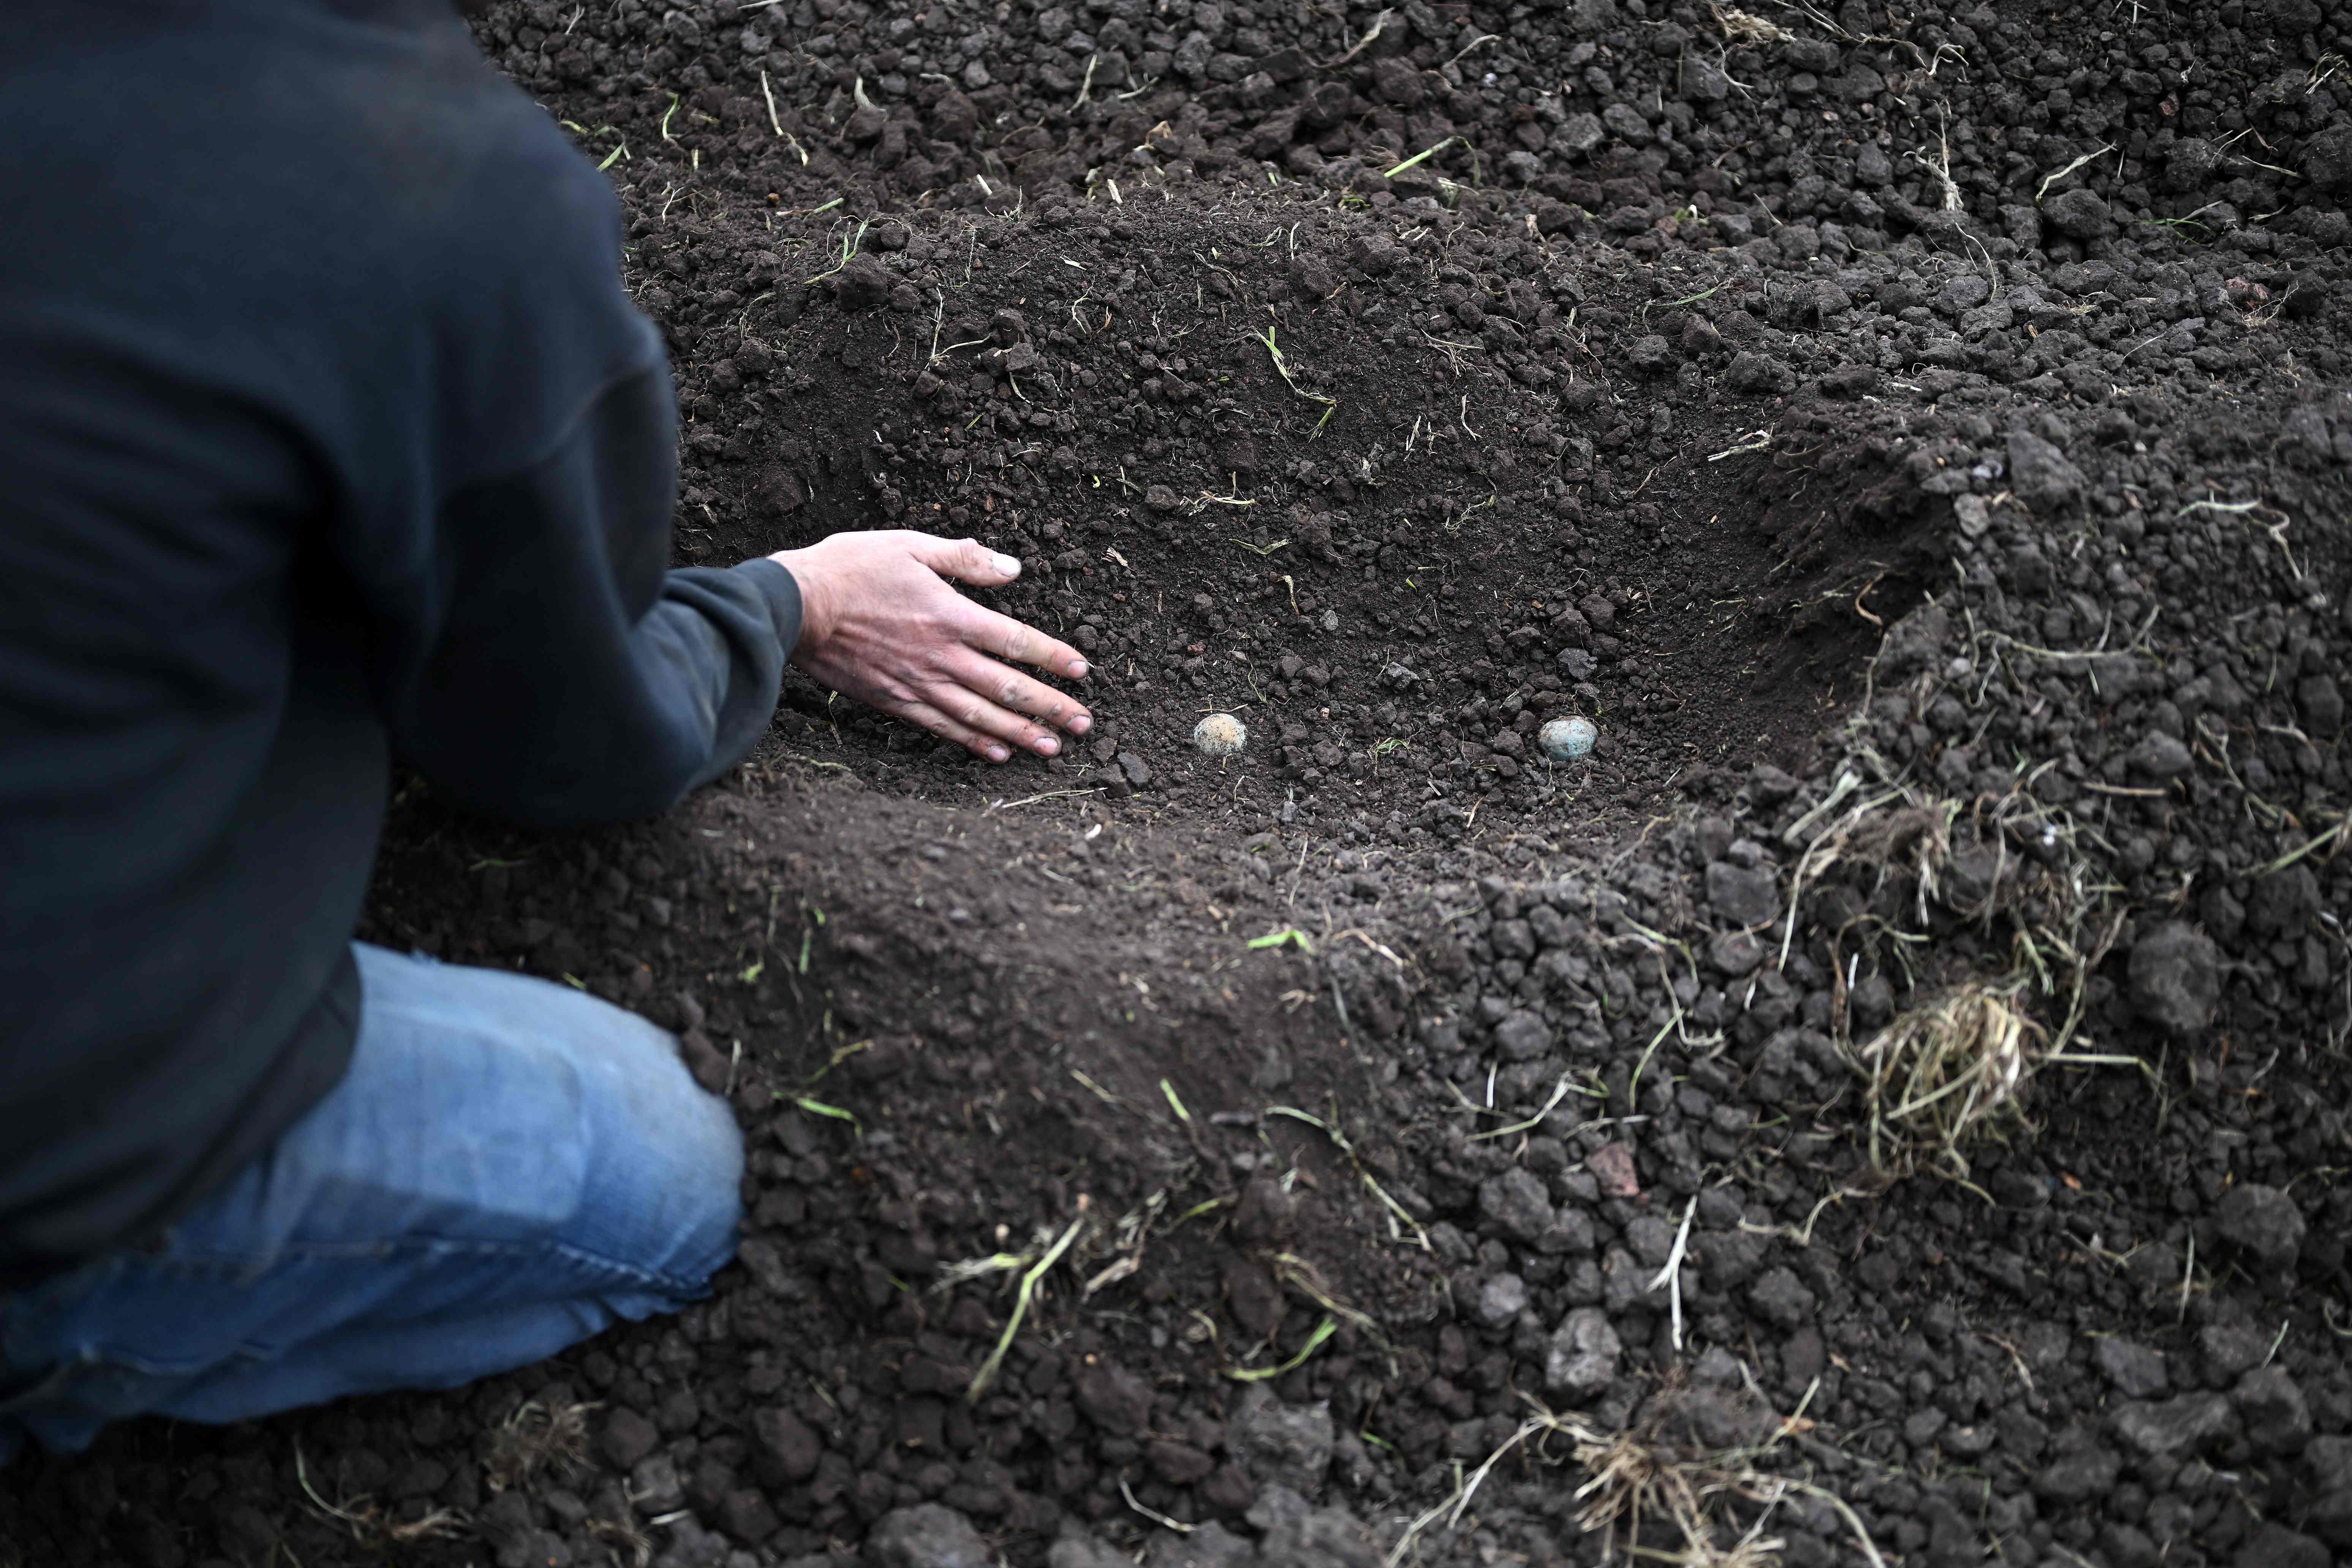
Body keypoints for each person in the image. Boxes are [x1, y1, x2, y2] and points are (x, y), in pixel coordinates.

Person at [0, 0, 1091, 1464]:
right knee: (658, 1180)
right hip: (47, 1140)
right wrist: (791, 605)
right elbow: (565, 748)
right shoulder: (418, 186)